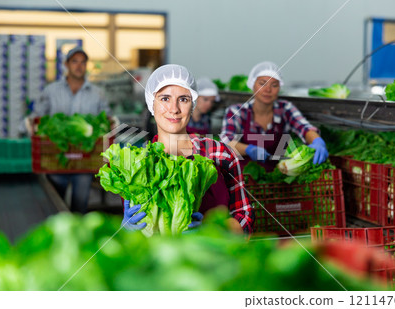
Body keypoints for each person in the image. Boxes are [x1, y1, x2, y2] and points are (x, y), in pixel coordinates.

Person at [123, 64, 254, 234]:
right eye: (164, 99)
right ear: (151, 104)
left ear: (192, 104)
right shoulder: (137, 165)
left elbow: (245, 219)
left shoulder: (221, 153)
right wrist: (126, 230)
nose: (174, 109)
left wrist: (212, 229)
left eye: (183, 99)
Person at [27, 46, 111, 214]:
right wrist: (32, 127)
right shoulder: (51, 91)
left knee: (80, 208)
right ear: (66, 64)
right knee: (55, 206)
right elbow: (37, 118)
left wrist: (111, 123)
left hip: (85, 160)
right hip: (56, 159)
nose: (79, 66)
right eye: (74, 61)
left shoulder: (97, 93)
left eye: (82, 62)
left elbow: (107, 119)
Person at [220, 61, 328, 172]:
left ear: (279, 88)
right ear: (252, 85)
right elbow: (226, 142)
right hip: (243, 177)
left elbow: (304, 128)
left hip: (277, 176)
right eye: (262, 83)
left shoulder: (285, 109)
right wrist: (248, 149)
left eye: (274, 85)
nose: (268, 89)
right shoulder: (236, 111)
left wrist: (317, 141)